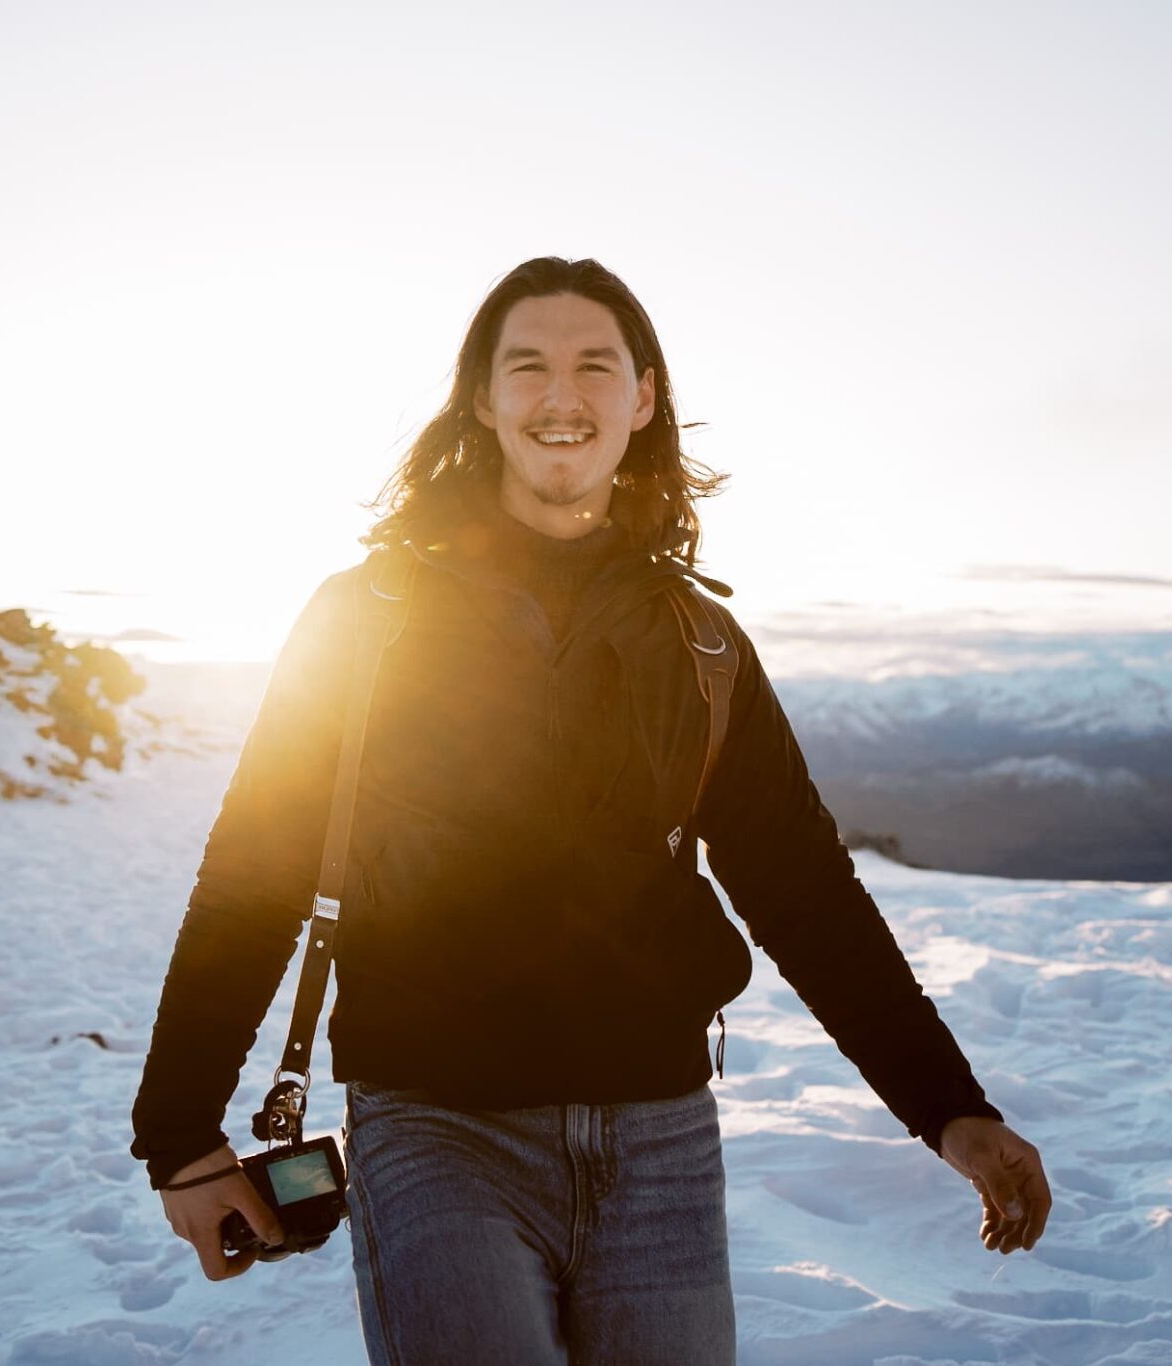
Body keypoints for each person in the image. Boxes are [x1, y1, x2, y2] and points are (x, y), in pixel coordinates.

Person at [131, 256, 1050, 1364]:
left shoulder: (701, 645)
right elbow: (251, 875)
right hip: (435, 1129)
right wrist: (179, 1137)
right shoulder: (362, 621)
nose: (559, 396)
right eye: (526, 366)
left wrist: (946, 1107)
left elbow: (804, 892)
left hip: (658, 1140)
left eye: (592, 367)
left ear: (642, 398)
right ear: (480, 397)